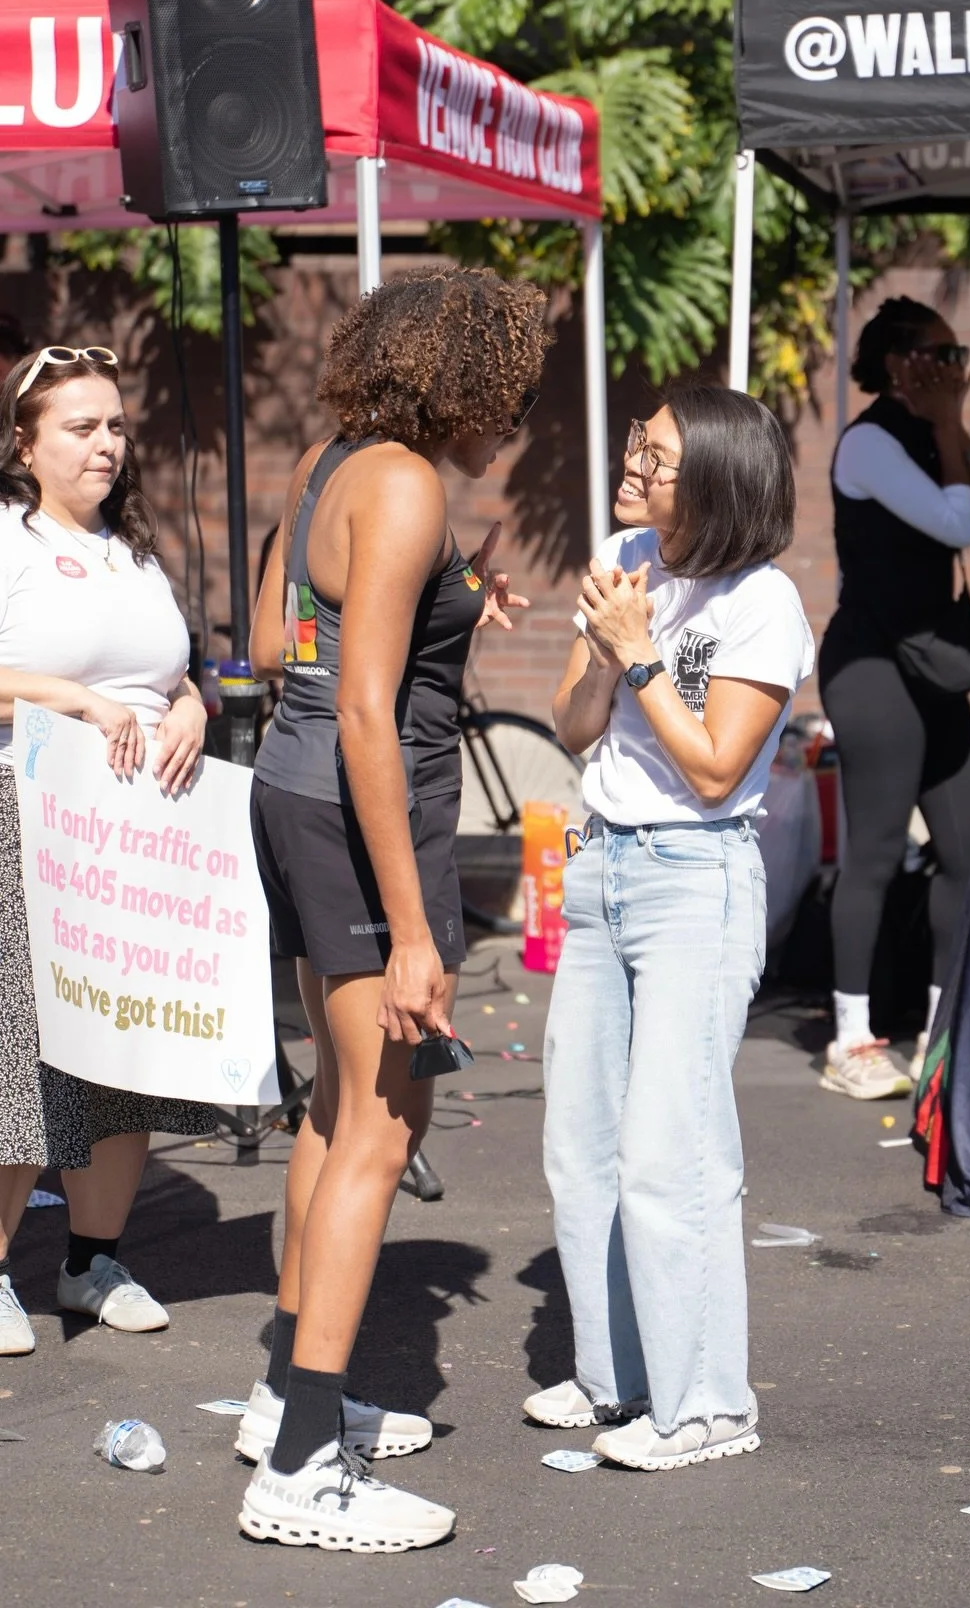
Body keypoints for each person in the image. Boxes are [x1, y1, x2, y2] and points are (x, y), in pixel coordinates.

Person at [238, 267, 550, 1552]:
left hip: (296, 790)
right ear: (460, 384)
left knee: (335, 1107)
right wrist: (415, 930)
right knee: (382, 1120)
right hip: (365, 813)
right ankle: (303, 1467)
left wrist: (452, 598)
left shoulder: (332, 463)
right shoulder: (409, 484)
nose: (514, 426)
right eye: (509, 401)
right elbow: (369, 707)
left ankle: (286, 1397)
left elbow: (279, 646)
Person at [533, 385, 813, 1471]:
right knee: (583, 1144)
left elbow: (713, 771)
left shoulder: (762, 604)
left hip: (696, 879)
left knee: (672, 1148)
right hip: (601, 862)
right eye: (638, 447)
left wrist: (641, 652)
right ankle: (618, 1376)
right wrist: (607, 655)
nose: (634, 467)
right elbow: (571, 725)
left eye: (656, 458)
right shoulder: (622, 556)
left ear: (717, 486)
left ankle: (708, 1405)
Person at [0, 344, 212, 1358]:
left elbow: (164, 670)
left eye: (116, 425)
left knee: (120, 1052)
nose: (106, 445)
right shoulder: (9, 539)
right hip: (28, 819)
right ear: (23, 445)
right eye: (80, 427)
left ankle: (91, 1262)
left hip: (134, 834)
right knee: (19, 1056)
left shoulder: (134, 550)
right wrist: (72, 699)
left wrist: (191, 704)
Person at [818, 296, 970, 1100]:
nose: (958, 368)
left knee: (968, 849)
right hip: (872, 665)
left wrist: (956, 429)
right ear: (901, 364)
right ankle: (850, 1037)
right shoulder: (869, 442)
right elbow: (954, 525)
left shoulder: (940, 434)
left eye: (960, 354)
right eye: (944, 353)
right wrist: (947, 430)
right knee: (874, 850)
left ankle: (942, 1027)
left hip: (932, 664)